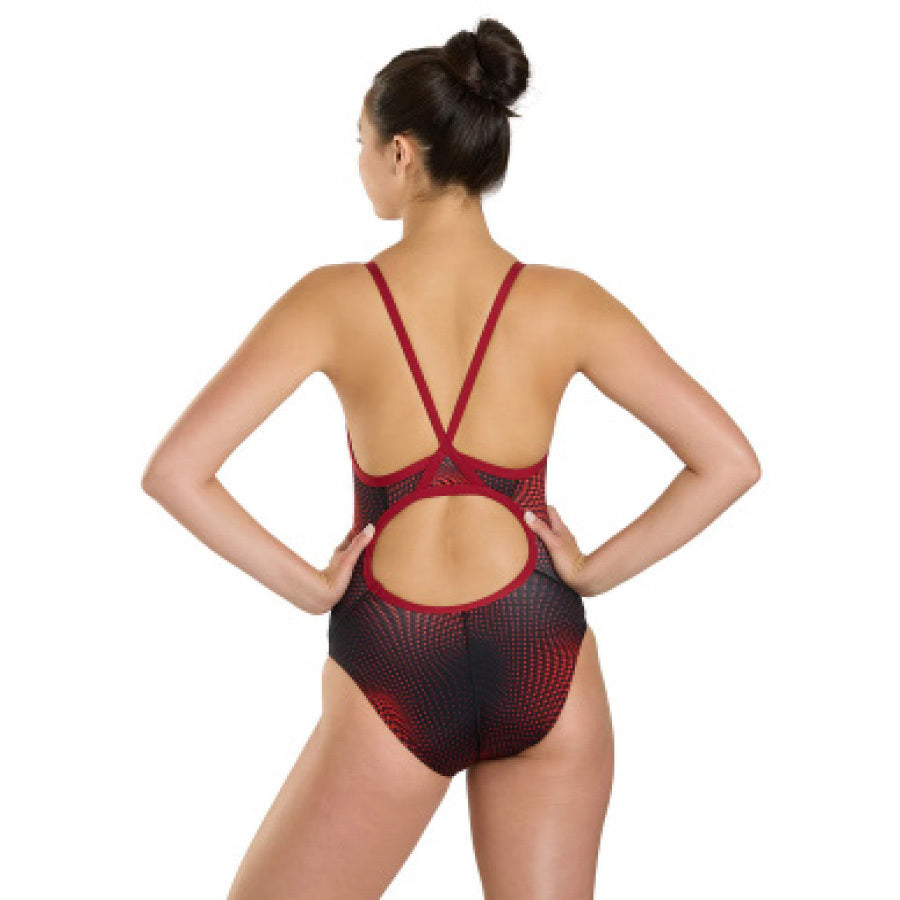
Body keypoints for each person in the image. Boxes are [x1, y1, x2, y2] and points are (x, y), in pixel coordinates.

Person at [141, 17, 761, 899]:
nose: (358, 162)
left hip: (395, 659)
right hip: (543, 653)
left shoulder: (331, 301)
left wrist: (309, 587)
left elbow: (176, 472)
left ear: (400, 154)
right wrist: (592, 571)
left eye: (360, 142)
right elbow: (728, 461)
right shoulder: (568, 302)